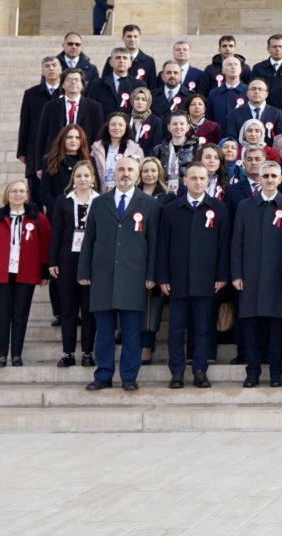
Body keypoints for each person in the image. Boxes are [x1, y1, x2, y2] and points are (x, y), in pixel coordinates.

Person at [79, 156, 161, 391]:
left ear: (137, 174)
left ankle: (129, 376)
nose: (125, 173)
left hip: (134, 277)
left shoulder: (149, 204)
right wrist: (84, 270)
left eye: (130, 170)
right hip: (103, 275)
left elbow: (153, 243)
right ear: (114, 173)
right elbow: (89, 240)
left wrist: (151, 275)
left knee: (131, 332)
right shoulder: (100, 202)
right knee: (103, 331)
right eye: (121, 169)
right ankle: (103, 375)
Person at [156, 164, 231, 388]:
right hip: (177, 280)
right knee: (176, 329)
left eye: (202, 178)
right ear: (184, 181)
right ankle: (177, 371)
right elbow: (162, 245)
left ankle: (200, 370)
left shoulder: (219, 208)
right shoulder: (171, 209)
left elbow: (224, 245)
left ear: (208, 181)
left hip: (207, 281)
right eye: (193, 178)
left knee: (203, 328)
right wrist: (163, 277)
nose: (198, 182)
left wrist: (222, 275)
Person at [230, 161, 282, 387]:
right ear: (259, 179)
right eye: (265, 176)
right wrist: (236, 274)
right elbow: (237, 241)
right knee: (251, 328)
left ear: (280, 179)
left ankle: (276, 373)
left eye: (273, 176)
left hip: (278, 279)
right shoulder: (245, 206)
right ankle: (252, 372)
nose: (269, 179)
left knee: (276, 329)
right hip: (250, 277)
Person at [0, 179, 52, 368]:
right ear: (7, 195)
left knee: (21, 314)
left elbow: (45, 247)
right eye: (13, 191)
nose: (18, 194)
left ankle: (17, 354)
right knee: (3, 314)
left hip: (25, 273)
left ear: (27, 195)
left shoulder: (38, 218)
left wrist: (44, 272)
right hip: (1, 273)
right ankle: (2, 354)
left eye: (21, 191)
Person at [48, 162, 101, 368]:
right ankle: (67, 352)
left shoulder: (101, 201)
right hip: (67, 260)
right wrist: (52, 260)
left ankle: (87, 351)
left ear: (93, 178)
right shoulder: (63, 201)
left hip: (92, 261)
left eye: (86, 175)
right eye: (78, 176)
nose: (82, 179)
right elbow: (57, 233)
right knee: (69, 308)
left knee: (89, 309)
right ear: (73, 179)